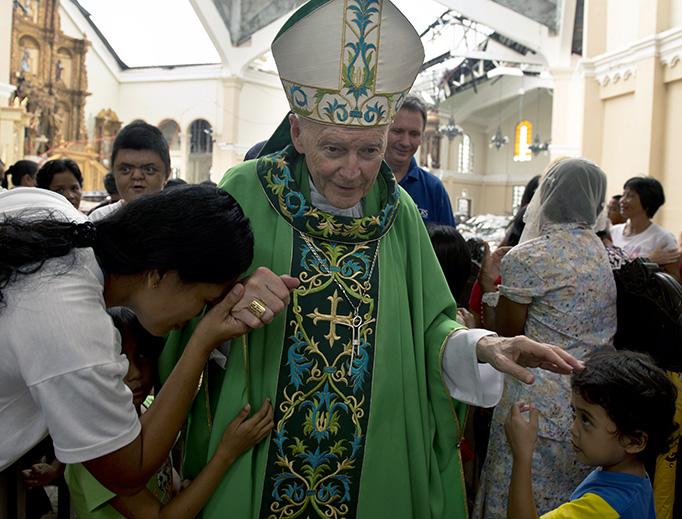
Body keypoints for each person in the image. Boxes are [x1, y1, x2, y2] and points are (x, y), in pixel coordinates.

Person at [160, 2, 583, 518]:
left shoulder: (398, 211)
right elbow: (179, 309)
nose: (353, 171)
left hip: (372, 444)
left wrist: (483, 345)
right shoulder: (247, 192)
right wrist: (232, 300)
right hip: (259, 442)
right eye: (334, 149)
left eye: (370, 150)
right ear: (298, 134)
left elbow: (429, 325)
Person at [0, 185, 295, 500]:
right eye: (206, 300)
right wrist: (202, 341)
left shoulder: (51, 210)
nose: (198, 314)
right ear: (160, 274)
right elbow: (129, 472)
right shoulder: (74, 331)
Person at [474, 158, 617, 518]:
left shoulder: (530, 257)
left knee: (519, 494)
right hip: (589, 404)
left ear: (548, 196)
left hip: (534, 401)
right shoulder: (601, 252)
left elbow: (507, 337)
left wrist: (490, 286)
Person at [65, 306, 274, 518]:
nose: (134, 373)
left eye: (142, 354)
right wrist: (226, 453)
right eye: (118, 361)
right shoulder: (96, 446)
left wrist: (178, 487)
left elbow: (159, 472)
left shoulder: (148, 409)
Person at [505, 350, 678, 519]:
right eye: (575, 413)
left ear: (633, 441)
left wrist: (522, 454)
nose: (572, 428)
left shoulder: (604, 507)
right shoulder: (633, 479)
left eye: (586, 420)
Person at [383, 94, 456, 227]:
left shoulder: (434, 189)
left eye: (414, 134)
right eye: (398, 131)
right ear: (384, 131)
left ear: (422, 137)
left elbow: (449, 245)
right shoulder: (362, 179)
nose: (405, 142)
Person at [89, 122, 171, 222]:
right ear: (114, 172)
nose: (136, 176)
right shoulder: (100, 219)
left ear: (166, 175)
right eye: (125, 170)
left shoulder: (180, 221)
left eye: (149, 170)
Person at [610, 176, 681, 283]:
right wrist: (647, 260)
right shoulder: (613, 232)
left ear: (646, 203)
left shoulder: (663, 238)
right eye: (624, 194)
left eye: (630, 196)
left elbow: (674, 279)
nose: (622, 200)